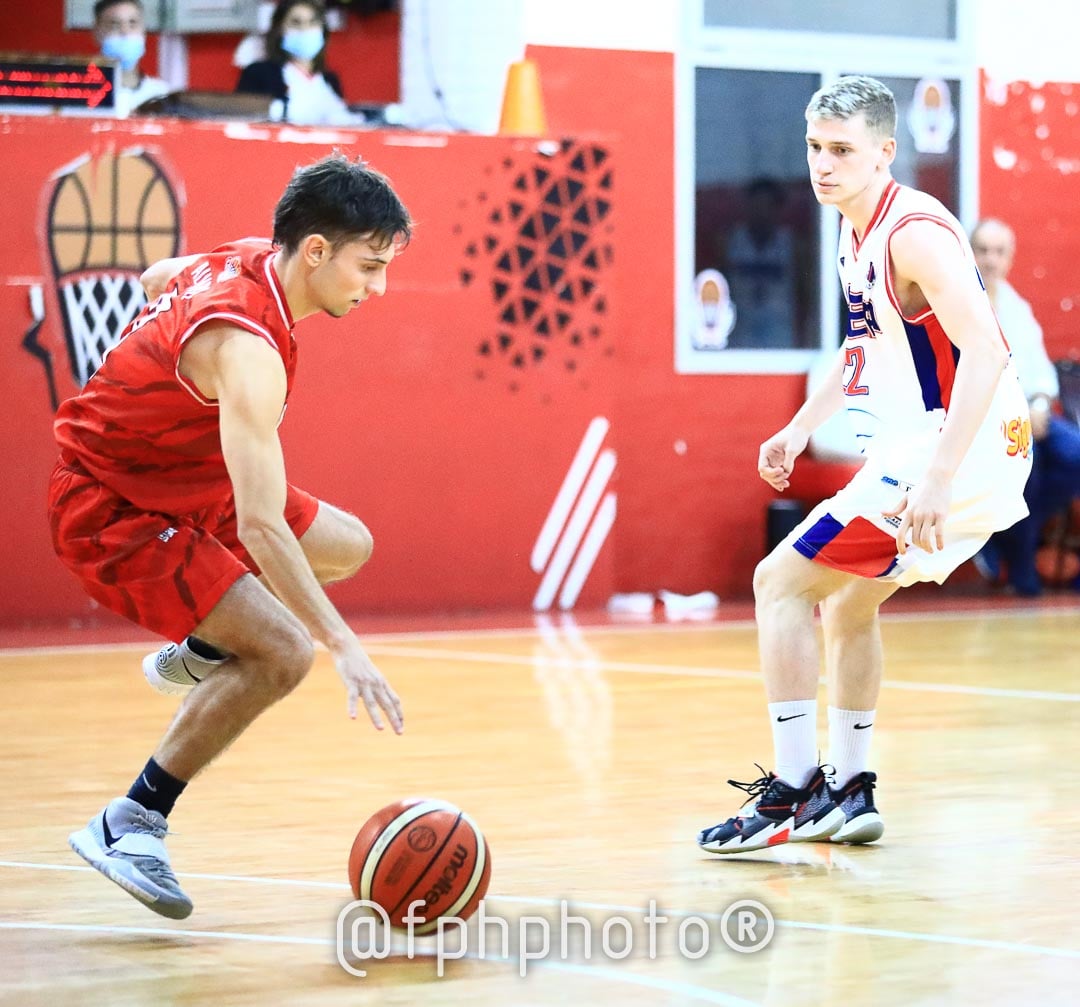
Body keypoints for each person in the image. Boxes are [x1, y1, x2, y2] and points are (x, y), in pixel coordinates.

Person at [49, 154, 410, 917]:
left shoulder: (252, 256)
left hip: (180, 479)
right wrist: (345, 645)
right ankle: (132, 819)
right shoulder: (248, 350)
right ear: (314, 251)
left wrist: (156, 338)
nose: (379, 289)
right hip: (113, 507)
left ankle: (201, 651)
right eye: (369, 267)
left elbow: (156, 275)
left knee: (350, 545)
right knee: (285, 650)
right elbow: (260, 525)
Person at [697, 76, 1032, 855]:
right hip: (944, 444)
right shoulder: (855, 230)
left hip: (959, 445)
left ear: (886, 152)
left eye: (842, 150)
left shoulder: (913, 232)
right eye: (815, 147)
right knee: (847, 606)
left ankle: (790, 789)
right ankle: (850, 791)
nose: (823, 164)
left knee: (778, 582)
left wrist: (941, 474)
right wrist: (798, 426)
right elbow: (863, 351)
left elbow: (987, 349)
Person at [969, 218, 1080, 595]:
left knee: (1074, 453)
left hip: (1029, 415)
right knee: (1026, 464)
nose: (990, 259)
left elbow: (1041, 373)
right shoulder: (959, 301)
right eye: (983, 250)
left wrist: (1038, 406)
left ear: (1010, 259)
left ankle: (1003, 538)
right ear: (970, 253)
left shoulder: (1017, 307)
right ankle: (1018, 563)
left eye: (999, 252)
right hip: (982, 422)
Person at [235, 0, 352, 126]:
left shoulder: (330, 79)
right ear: (279, 29)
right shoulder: (259, 73)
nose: (305, 29)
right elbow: (240, 117)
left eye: (312, 22)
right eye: (296, 23)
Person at [93, 0, 170, 117]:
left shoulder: (161, 94)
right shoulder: (86, 94)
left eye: (132, 23)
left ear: (143, 31)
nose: (125, 32)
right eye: (114, 24)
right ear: (97, 32)